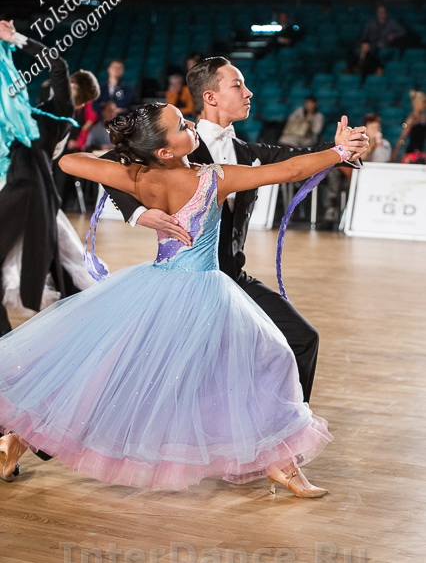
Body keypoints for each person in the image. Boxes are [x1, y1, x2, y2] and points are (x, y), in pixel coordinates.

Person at [0, 102, 359, 495]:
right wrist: (339, 152)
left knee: (112, 373)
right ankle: (280, 464)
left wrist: (138, 203)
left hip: (154, 288)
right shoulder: (214, 178)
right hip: (203, 291)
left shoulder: (137, 177)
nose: (191, 125)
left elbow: (70, 161)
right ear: (166, 150)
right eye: (183, 126)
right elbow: (288, 172)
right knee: (269, 358)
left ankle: (18, 438)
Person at [103, 57, 369, 403]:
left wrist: (343, 149)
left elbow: (299, 159)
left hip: (233, 277)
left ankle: (288, 426)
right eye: (238, 85)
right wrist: (139, 212)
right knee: (159, 365)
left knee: (302, 338)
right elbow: (111, 161)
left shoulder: (248, 152)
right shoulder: (179, 144)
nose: (249, 93)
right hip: (186, 285)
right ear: (210, 97)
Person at [0, 20, 100, 336]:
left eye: (67, 82)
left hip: (28, 189)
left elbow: (57, 65)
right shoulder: (48, 111)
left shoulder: (61, 109)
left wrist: (16, 38)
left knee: (40, 259)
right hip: (28, 188)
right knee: (58, 256)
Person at [392, 91, 426, 162]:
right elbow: (403, 137)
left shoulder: (424, 118)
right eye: (424, 102)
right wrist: (395, 153)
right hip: (411, 153)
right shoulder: (411, 119)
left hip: (421, 153)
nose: (425, 104)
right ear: (417, 103)